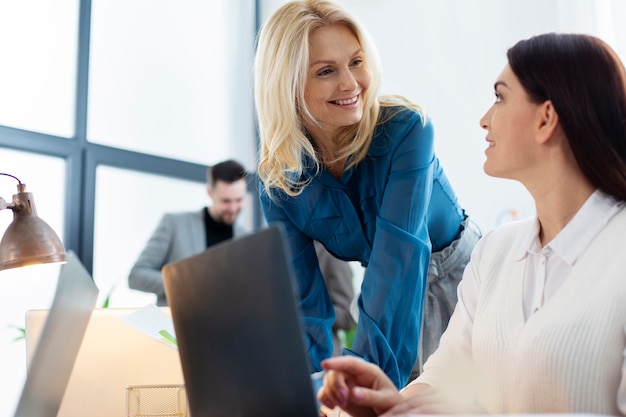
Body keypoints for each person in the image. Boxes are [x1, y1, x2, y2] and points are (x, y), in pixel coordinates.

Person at [317, 32, 626, 416]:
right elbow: (447, 383)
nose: (484, 119)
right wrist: (388, 406)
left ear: (546, 118)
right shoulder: (495, 251)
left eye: (500, 97)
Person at [253, 0, 480, 389]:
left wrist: (359, 384)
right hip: (385, 285)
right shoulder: (279, 184)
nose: (351, 83)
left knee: (438, 398)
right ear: (286, 86)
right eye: (326, 71)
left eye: (356, 62)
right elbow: (304, 303)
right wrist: (313, 388)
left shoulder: (407, 130)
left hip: (458, 279)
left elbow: (399, 258)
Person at [128, 159, 249, 305]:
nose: (233, 208)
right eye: (226, 201)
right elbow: (136, 276)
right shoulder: (174, 224)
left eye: (238, 200)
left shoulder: (245, 238)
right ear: (210, 192)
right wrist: (184, 284)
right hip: (175, 324)